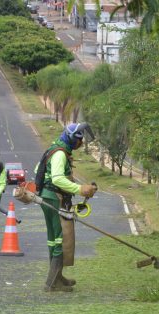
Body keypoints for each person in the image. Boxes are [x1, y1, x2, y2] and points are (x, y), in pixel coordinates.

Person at [40, 122, 97, 292]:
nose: (81, 144)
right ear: (73, 139)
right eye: (80, 140)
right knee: (61, 240)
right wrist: (80, 189)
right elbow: (57, 179)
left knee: (54, 239)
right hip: (54, 199)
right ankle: (52, 283)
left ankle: (57, 276)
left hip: (48, 197)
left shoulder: (56, 148)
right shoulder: (59, 154)